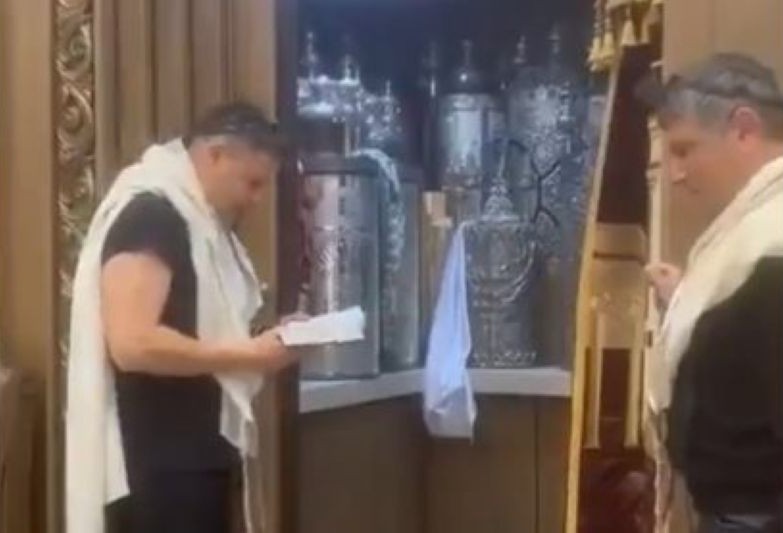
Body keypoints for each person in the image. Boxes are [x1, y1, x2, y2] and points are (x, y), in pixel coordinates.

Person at [66, 102, 300, 533]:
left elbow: (195, 326)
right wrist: (248, 355)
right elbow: (132, 343)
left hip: (197, 459)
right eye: (252, 183)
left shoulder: (200, 223)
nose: (256, 199)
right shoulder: (152, 215)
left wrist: (272, 338)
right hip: (157, 470)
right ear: (216, 155)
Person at [638, 54, 783, 532]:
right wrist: (686, 299)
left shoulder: (774, 241)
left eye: (685, 150)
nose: (676, 174)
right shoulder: (755, 234)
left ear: (743, 129)